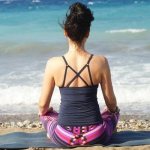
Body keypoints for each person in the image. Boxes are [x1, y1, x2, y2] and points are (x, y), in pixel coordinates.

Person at [38, 2, 120, 147]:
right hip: (96, 135)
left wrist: (48, 112)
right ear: (87, 32)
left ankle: (51, 132)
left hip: (64, 136)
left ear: (65, 31)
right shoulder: (100, 61)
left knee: (46, 115)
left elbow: (42, 105)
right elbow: (111, 104)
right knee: (112, 113)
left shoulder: (53, 63)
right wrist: (111, 112)